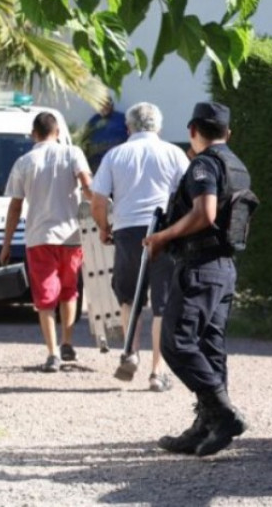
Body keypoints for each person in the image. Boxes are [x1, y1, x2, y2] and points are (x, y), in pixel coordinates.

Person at [144, 101, 250, 457]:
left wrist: (162, 236)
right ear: (227, 133)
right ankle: (206, 426)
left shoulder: (204, 164)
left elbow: (204, 213)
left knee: (177, 342)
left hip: (200, 265)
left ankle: (222, 413)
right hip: (223, 267)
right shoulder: (236, 165)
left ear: (192, 130)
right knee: (209, 346)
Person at [90, 102, 190, 392]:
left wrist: (103, 228)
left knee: (127, 296)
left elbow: (98, 201)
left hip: (127, 229)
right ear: (158, 127)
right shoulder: (174, 154)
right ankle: (157, 373)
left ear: (128, 127)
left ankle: (130, 351)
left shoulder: (115, 154)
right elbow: (188, 195)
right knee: (162, 303)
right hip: (165, 231)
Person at [0, 112, 93, 372]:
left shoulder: (23, 162)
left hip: (39, 237)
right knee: (69, 291)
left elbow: (15, 206)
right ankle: (67, 341)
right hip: (72, 236)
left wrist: (6, 244)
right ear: (58, 131)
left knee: (45, 297)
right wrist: (99, 212)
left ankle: (52, 353)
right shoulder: (73, 153)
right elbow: (87, 185)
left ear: (34, 133)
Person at [85, 98, 129, 173]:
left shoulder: (122, 119)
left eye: (106, 105)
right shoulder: (94, 120)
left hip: (117, 158)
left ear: (111, 105)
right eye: (100, 105)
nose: (103, 108)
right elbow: (86, 138)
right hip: (97, 160)